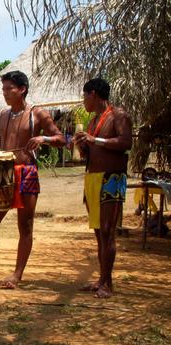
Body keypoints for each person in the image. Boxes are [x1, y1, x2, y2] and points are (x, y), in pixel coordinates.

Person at [0, 70, 65, 289]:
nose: (5, 93)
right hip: (3, 173)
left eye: (9, 88)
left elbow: (61, 138)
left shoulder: (38, 114)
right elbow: (3, 140)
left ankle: (17, 275)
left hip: (27, 172)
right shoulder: (4, 114)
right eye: (3, 89)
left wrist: (44, 138)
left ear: (22, 89)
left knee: (26, 225)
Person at [74, 78, 132, 298]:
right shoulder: (94, 120)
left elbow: (126, 143)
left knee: (108, 232)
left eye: (85, 96)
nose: (84, 101)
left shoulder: (119, 115)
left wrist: (95, 140)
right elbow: (91, 151)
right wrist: (83, 147)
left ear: (94, 94)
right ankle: (102, 280)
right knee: (99, 233)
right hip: (93, 178)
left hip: (112, 178)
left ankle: (108, 284)